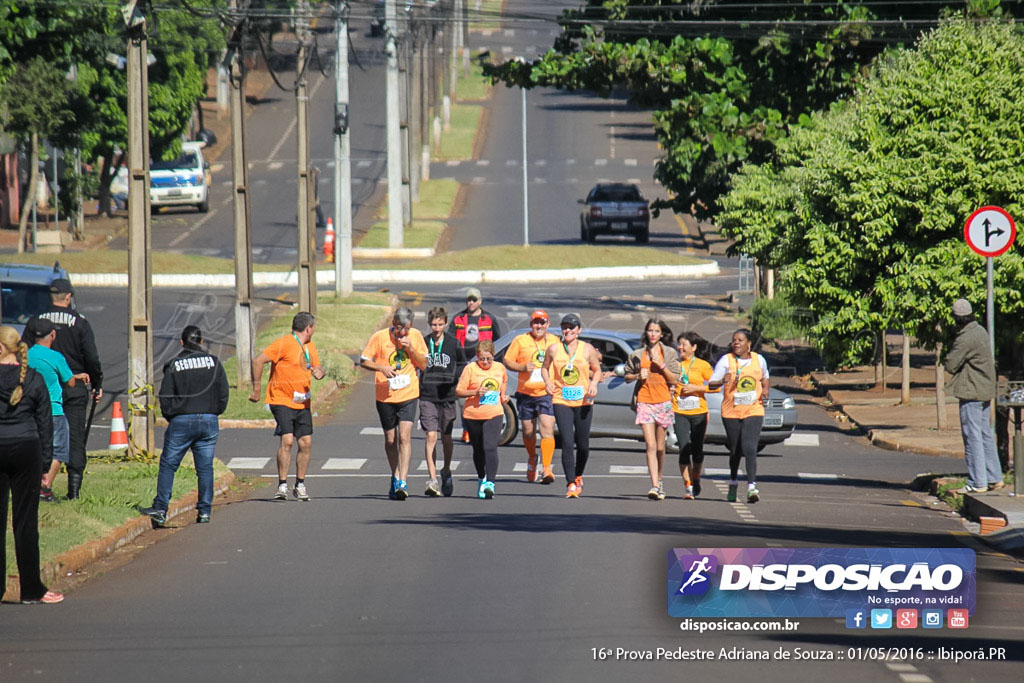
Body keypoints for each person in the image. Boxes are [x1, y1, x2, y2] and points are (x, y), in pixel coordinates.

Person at [22, 278, 103, 501]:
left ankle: (37, 485)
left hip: (41, 388)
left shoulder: (36, 321)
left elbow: (23, 353)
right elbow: (92, 357)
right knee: (75, 438)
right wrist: (96, 383)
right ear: (69, 297)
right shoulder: (80, 322)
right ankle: (73, 491)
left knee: (40, 436)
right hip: (73, 387)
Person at [140, 326, 229, 527]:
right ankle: (205, 511)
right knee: (205, 468)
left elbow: (166, 396)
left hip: (181, 420)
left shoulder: (174, 364)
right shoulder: (214, 362)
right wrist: (214, 411)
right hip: (208, 420)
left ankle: (161, 509)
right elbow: (223, 393)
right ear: (201, 341)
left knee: (169, 465)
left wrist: (171, 416)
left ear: (182, 342)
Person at [0, 326, 63, 604]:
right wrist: (46, 464)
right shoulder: (33, 378)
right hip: (27, 449)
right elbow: (45, 423)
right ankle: (31, 589)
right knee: (25, 524)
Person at [249, 312, 325, 502]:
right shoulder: (283, 343)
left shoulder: (310, 347)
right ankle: (282, 484)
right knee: (288, 440)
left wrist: (319, 373)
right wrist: (257, 389)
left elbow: (318, 369)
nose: (314, 330)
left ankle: (300, 484)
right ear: (308, 328)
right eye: (313, 327)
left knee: (305, 442)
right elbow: (258, 360)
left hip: (303, 402)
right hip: (281, 399)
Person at [360, 307, 428, 500]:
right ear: (393, 324)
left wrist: (411, 348)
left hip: (408, 393)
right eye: (398, 328)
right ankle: (395, 474)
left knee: (404, 437)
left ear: (411, 325)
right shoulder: (380, 337)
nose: (401, 332)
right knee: (391, 439)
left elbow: (423, 365)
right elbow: (364, 360)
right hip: (385, 395)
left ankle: (403, 481)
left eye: (405, 328)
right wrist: (381, 367)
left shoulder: (416, 336)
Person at [25, 319, 89, 502]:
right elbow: (68, 381)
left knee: (36, 449)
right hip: (54, 410)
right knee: (59, 450)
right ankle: (44, 487)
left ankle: (31, 485)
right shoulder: (56, 357)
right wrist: (74, 376)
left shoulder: (27, 355)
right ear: (52, 335)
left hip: (31, 410)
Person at [944, 299, 1003, 494]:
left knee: (972, 436)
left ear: (956, 318)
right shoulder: (980, 331)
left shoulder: (966, 337)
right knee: (985, 433)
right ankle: (994, 477)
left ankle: (978, 482)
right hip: (984, 389)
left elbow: (951, 365)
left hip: (972, 391)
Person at [542, 313, 602, 498]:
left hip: (583, 400)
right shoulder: (554, 349)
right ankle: (570, 483)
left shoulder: (587, 349)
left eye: (572, 327)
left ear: (579, 331)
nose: (568, 330)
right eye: (565, 327)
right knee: (567, 442)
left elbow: (597, 369)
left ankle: (578, 475)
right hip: (561, 400)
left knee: (583, 445)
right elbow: (544, 367)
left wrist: (593, 384)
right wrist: (547, 381)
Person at [708, 328, 769, 503]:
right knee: (735, 450)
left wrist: (765, 390)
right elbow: (712, 384)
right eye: (734, 340)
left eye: (740, 340)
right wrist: (722, 381)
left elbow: (765, 377)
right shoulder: (726, 361)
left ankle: (752, 487)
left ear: (748, 344)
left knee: (750, 446)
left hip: (753, 408)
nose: (736, 343)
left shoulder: (759, 360)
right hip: (731, 410)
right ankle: (733, 481)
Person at [625, 318, 679, 501]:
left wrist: (662, 366)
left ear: (662, 334)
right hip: (644, 400)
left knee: (661, 447)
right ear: (646, 333)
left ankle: (660, 477)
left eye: (656, 331)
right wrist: (637, 375)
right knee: (650, 445)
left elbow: (675, 380)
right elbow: (626, 376)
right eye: (650, 331)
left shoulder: (669, 353)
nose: (653, 334)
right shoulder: (638, 354)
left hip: (663, 401)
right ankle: (655, 485)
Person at [503, 309, 559, 483]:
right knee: (528, 432)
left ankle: (547, 468)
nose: (539, 326)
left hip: (546, 392)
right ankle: (532, 457)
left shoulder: (555, 341)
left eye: (542, 322)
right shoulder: (521, 340)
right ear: (531, 324)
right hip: (526, 392)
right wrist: (521, 368)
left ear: (548, 324)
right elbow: (507, 360)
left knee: (547, 428)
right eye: (536, 322)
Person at [418, 307, 465, 497]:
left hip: (447, 396)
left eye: (440, 324)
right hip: (427, 395)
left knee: (446, 438)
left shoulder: (453, 342)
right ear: (430, 325)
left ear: (445, 324)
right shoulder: (424, 342)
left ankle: (446, 470)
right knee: (431, 436)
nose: (437, 328)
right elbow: (416, 362)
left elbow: (462, 364)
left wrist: (454, 378)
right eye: (433, 325)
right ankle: (433, 479)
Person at [456, 340, 509, 499]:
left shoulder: (499, 368)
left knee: (490, 447)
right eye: (482, 359)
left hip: (494, 413)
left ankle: (490, 483)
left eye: (489, 359)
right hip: (473, 414)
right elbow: (459, 391)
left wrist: (503, 394)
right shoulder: (470, 369)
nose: (485, 362)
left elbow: (504, 381)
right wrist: (476, 392)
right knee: (478, 449)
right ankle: (481, 478)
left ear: (494, 356)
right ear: (477, 357)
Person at [450, 288, 501, 443]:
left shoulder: (489, 319)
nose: (471, 303)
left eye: (474, 300)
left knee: (485, 392)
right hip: (462, 362)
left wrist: (496, 361)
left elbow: (498, 341)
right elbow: (451, 341)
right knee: (463, 398)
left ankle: (484, 426)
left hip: (483, 362)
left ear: (480, 301)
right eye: (469, 300)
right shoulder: (458, 318)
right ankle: (467, 429)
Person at [672, 332, 714, 500]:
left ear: (694, 347)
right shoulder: (674, 364)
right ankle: (688, 486)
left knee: (697, 451)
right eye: (679, 344)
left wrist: (696, 389)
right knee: (683, 449)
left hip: (698, 412)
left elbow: (715, 386)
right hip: (679, 411)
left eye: (684, 344)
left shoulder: (703, 365)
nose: (680, 347)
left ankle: (696, 477)